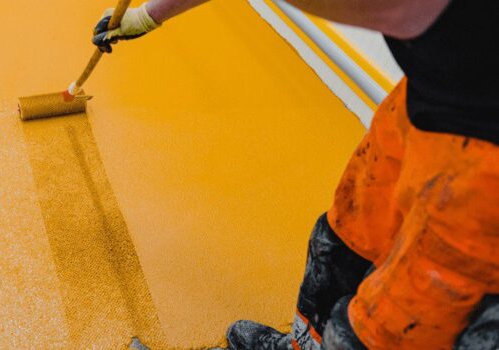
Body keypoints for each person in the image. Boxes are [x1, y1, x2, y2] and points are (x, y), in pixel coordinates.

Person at [91, 0, 499, 349]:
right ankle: (303, 342)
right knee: (343, 240)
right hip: (433, 90)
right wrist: (149, 15)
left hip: (486, 163)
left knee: (398, 325)